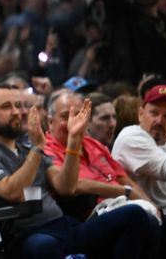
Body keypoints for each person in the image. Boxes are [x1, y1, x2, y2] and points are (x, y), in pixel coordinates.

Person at [0, 84, 157, 258]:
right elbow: (13, 192)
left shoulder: (26, 148)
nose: (18, 112)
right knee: (44, 246)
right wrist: (38, 149)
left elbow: (65, 186)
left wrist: (74, 140)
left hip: (63, 225)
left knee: (135, 215)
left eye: (19, 105)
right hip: (25, 235)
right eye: (7, 107)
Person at [43, 91, 152, 220]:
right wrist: (124, 191)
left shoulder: (93, 143)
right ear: (50, 122)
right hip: (91, 216)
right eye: (65, 116)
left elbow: (127, 181)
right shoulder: (46, 149)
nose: (73, 121)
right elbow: (70, 186)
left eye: (79, 115)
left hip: (123, 205)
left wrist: (154, 207)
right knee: (136, 214)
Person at [112, 84, 166, 254]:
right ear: (140, 114)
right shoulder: (132, 136)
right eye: (154, 113)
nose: (160, 121)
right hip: (145, 216)